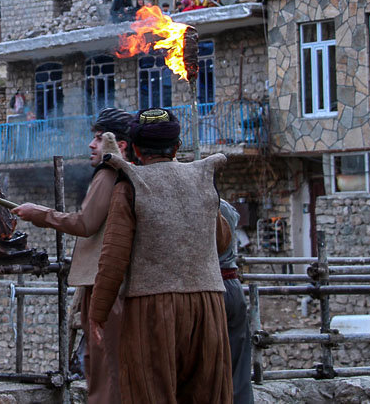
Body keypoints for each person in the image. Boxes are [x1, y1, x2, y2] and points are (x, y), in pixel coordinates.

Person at [89, 109, 234, 404]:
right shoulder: (201, 179)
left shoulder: (130, 184)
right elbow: (221, 240)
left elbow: (113, 258)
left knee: (149, 392)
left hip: (151, 307)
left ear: (138, 150)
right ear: (177, 147)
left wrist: (97, 313)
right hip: (208, 306)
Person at [12, 108, 134, 404]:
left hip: (104, 285)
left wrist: (39, 214)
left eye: (97, 139)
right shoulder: (131, 175)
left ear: (121, 146)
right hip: (119, 284)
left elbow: (85, 223)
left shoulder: (110, 174)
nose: (91, 145)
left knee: (104, 367)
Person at [219, 199, 254, 404]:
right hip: (233, 284)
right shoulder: (226, 207)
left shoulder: (202, 204)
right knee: (239, 364)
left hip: (214, 287)